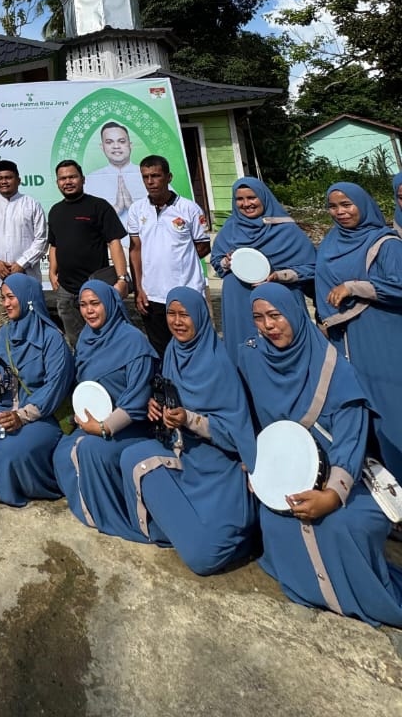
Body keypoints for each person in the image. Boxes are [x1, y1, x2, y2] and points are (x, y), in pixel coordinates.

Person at [238, 284, 402, 627]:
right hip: (286, 472)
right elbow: (245, 416)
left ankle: (366, 598)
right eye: (258, 317)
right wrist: (256, 463)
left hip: (345, 476)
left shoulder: (333, 368)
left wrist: (331, 495)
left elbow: (351, 436)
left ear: (295, 314)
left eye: (275, 315)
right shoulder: (252, 358)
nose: (268, 326)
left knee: (342, 524)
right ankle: (314, 588)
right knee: (274, 518)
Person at [117, 289, 258, 574]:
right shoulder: (173, 351)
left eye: (185, 315)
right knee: (131, 457)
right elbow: (170, 394)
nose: (177, 322)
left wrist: (189, 419)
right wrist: (157, 406)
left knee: (203, 558)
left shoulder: (218, 364)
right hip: (182, 448)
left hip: (216, 463)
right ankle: (178, 529)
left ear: (200, 317)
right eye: (171, 313)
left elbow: (236, 434)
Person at [313, 181, 402, 482]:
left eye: (346, 204)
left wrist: (355, 288)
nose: (340, 212)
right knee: (360, 409)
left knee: (391, 408)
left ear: (362, 205)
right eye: (333, 206)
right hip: (343, 341)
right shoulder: (330, 242)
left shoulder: (385, 243)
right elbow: (318, 282)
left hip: (382, 338)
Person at [53, 278, 156, 533]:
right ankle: (88, 507)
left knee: (90, 450)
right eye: (83, 305)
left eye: (95, 304)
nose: (89, 311)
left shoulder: (134, 342)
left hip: (129, 425)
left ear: (109, 304)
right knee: (62, 452)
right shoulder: (86, 339)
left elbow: (138, 398)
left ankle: (109, 514)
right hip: (93, 421)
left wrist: (104, 428)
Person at [0, 274, 74, 507]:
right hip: (8, 402)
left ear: (28, 299)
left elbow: (55, 387)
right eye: (4, 298)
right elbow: (0, 367)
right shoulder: (6, 332)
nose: (5, 304)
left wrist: (22, 416)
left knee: (14, 447)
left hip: (43, 412)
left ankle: (24, 488)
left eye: (11, 297)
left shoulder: (53, 340)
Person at [210, 177, 316, 359]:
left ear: (264, 197)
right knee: (245, 351)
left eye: (252, 197)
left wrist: (280, 276)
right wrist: (226, 262)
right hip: (239, 302)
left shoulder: (286, 230)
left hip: (277, 302)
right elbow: (216, 260)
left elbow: (312, 267)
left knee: (285, 354)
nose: (246, 204)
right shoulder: (230, 228)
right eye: (240, 199)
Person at [127, 156, 210, 357]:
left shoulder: (189, 209)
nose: (150, 181)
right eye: (145, 177)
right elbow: (135, 250)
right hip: (152, 295)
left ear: (168, 177)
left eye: (156, 176)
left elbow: (203, 246)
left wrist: (178, 261)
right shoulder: (137, 209)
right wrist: (139, 289)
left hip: (186, 292)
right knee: (162, 352)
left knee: (193, 349)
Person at [46, 160, 127, 349]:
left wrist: (122, 278)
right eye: (63, 178)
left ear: (82, 179)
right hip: (66, 291)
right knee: (77, 343)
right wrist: (52, 272)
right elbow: (54, 245)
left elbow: (114, 242)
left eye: (72, 177)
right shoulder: (55, 211)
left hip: (96, 288)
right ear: (57, 183)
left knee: (105, 341)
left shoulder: (99, 206)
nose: (68, 182)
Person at [0, 159, 47, 329]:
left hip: (27, 279)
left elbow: (41, 239)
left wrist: (21, 264)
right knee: (1, 329)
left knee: (31, 326)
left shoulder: (32, 205)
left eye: (8, 177)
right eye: (0, 178)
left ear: (18, 180)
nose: (4, 181)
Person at [83, 123, 146, 225]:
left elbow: (168, 216)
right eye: (109, 142)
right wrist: (116, 209)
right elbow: (83, 222)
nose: (116, 146)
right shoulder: (89, 181)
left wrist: (132, 207)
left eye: (121, 141)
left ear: (130, 145)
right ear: (102, 147)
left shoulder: (149, 175)